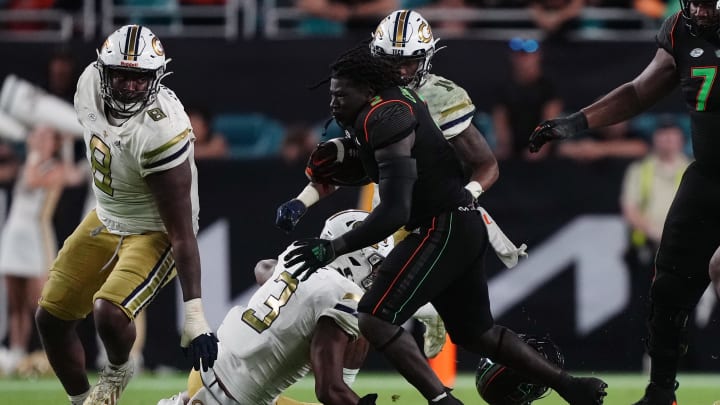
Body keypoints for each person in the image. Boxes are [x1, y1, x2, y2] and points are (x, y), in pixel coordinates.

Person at [278, 44, 607, 405]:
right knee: (477, 334)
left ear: (366, 88)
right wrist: (308, 196)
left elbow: (395, 211)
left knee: (374, 316)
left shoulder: (387, 116)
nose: (333, 103)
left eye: (341, 95)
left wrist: (332, 248)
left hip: (441, 226)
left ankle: (442, 400)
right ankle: (571, 386)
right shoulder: (384, 106)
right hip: (456, 225)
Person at [527, 3, 720, 403]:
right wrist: (576, 123)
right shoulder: (680, 29)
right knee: (668, 288)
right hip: (710, 174)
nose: (698, 11)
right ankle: (660, 393)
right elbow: (637, 91)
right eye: (694, 2)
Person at [34, 24, 218, 405]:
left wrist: (195, 313)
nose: (130, 86)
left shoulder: (162, 129)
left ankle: (118, 368)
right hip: (106, 215)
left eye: (139, 78)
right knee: (50, 318)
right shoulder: (87, 85)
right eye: (121, 75)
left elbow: (182, 231)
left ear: (156, 78)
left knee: (109, 313)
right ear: (103, 71)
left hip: (155, 228)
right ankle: (82, 401)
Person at [157, 209, 391, 405]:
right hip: (237, 399)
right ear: (354, 258)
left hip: (207, 371)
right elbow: (329, 390)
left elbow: (263, 267)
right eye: (377, 266)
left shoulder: (296, 256)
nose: (380, 274)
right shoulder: (341, 296)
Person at [0, 126, 66, 376]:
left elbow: (32, 180)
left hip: (34, 237)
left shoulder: (54, 169)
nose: (38, 140)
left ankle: (51, 354)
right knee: (14, 303)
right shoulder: (25, 162)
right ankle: (17, 352)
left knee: (39, 304)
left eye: (44, 137)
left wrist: (34, 155)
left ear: (54, 144)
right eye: (37, 136)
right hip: (13, 235)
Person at [493, 37, 564, 161]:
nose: (523, 61)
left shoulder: (548, 86)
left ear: (538, 56)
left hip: (544, 152)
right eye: (519, 56)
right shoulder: (504, 87)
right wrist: (504, 146)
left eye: (527, 56)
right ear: (512, 58)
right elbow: (500, 118)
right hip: (513, 150)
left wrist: (540, 146)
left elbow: (551, 119)